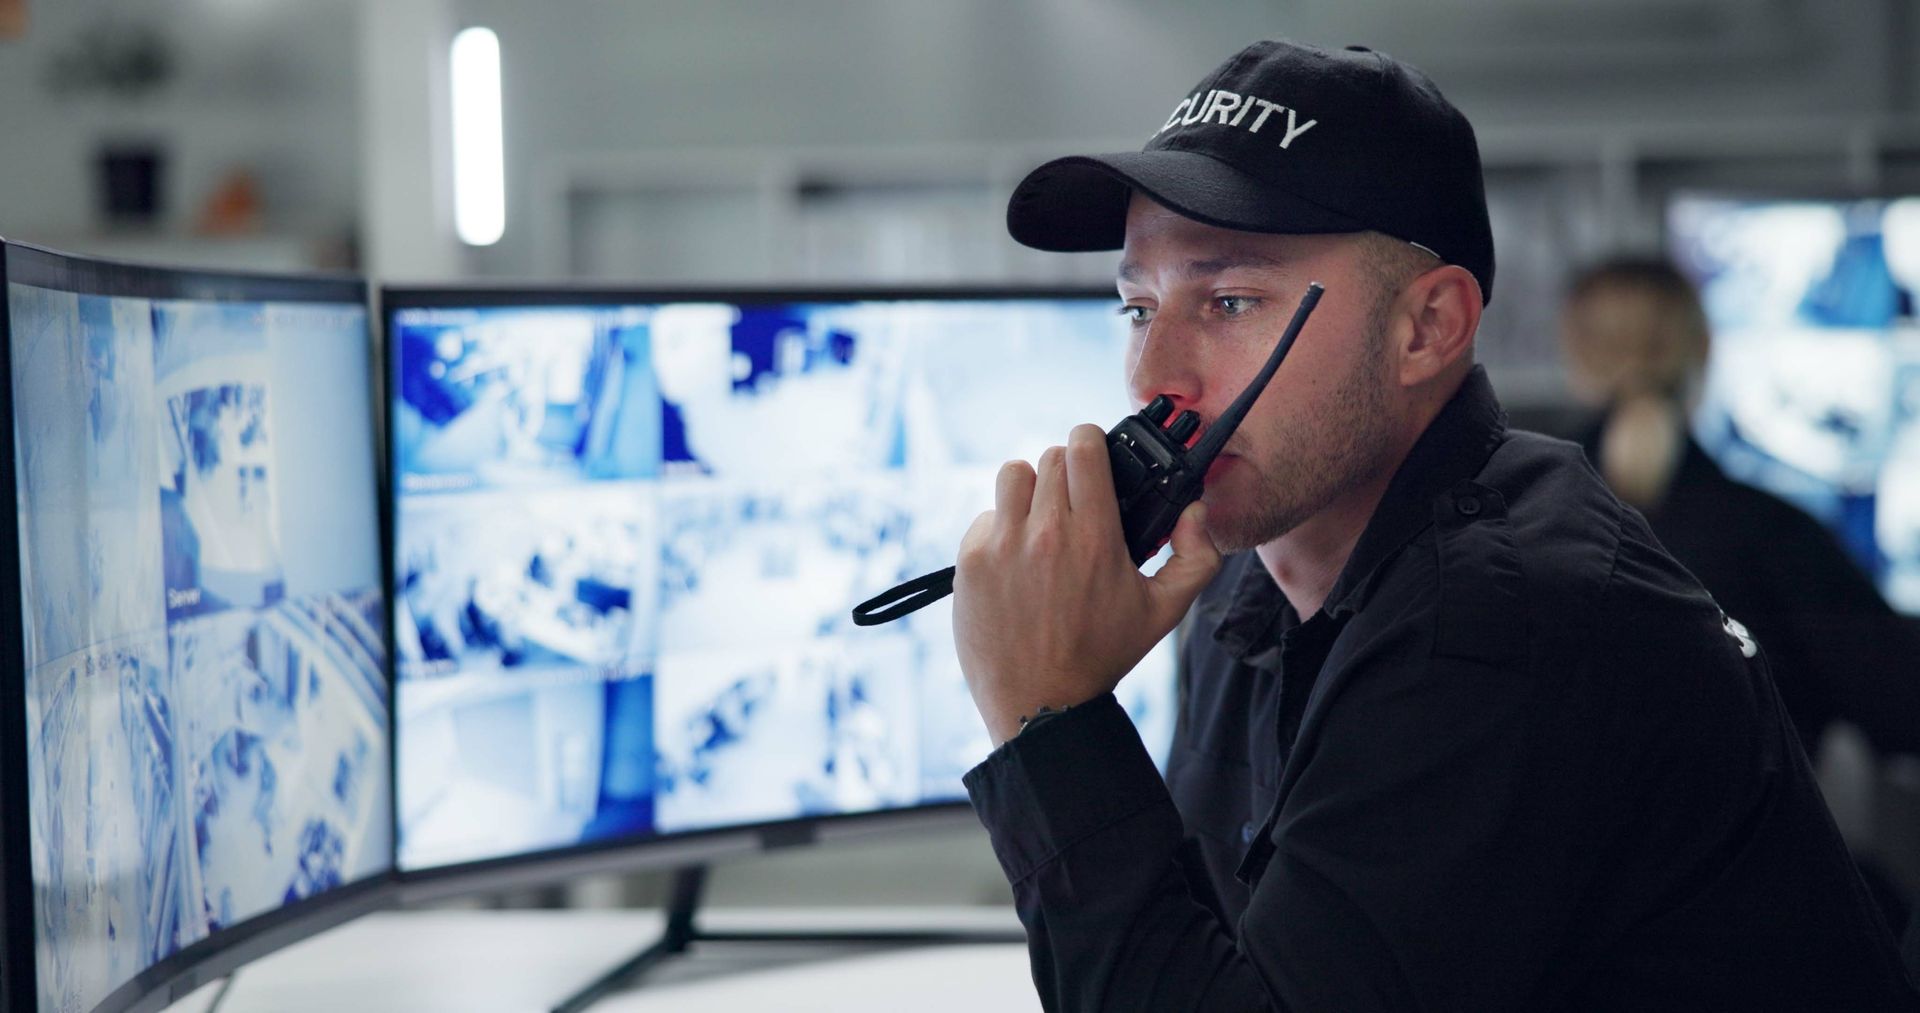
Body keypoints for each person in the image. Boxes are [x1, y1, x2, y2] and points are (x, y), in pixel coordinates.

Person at [952, 39, 1920, 1010]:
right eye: (1137, 307)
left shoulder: (1498, 623)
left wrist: (1051, 720)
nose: (1155, 374)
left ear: (1427, 328)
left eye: (1230, 299)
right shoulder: (1248, 583)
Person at [1561, 256, 1920, 762]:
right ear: (1704, 350)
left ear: (1575, 357)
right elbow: (1902, 710)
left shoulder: (1505, 526)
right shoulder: (1777, 537)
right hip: (1751, 842)